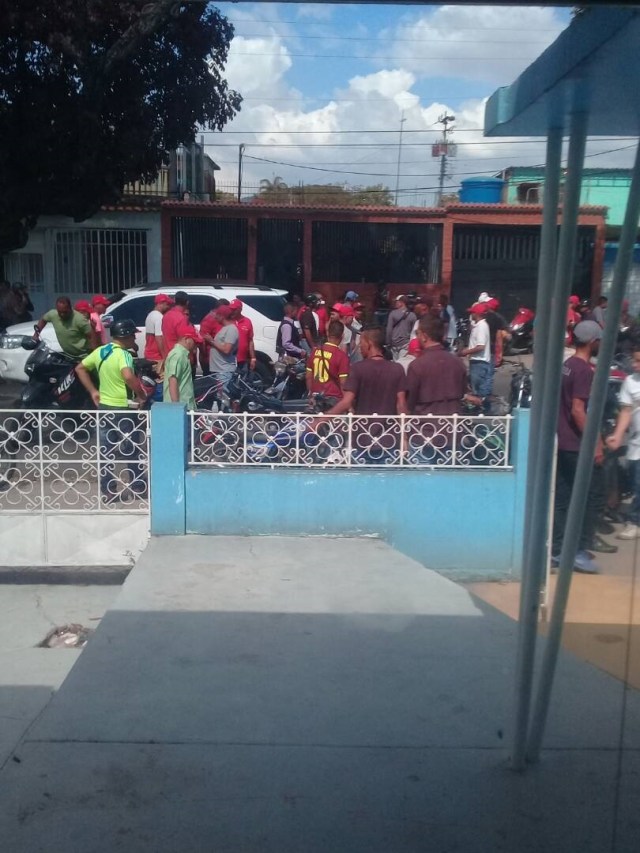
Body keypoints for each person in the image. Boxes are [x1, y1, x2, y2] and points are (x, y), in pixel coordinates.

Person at [552, 320, 616, 574]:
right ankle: (578, 550)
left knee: (564, 498)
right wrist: (596, 444)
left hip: (563, 443)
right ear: (593, 342)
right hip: (578, 446)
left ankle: (558, 549)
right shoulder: (583, 371)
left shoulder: (567, 366)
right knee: (592, 497)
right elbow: (579, 410)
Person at [75, 319, 148, 503]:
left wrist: (93, 391)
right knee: (131, 450)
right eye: (132, 335)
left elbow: (80, 368)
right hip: (124, 409)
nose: (134, 338)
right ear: (124, 336)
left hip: (105, 408)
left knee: (106, 452)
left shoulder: (101, 351)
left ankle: (108, 491)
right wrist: (141, 394)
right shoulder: (124, 355)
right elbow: (128, 376)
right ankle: (138, 488)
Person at [326, 327, 408, 417]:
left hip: (363, 427)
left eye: (361, 343)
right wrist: (404, 428)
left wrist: (319, 421)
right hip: (389, 429)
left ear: (369, 344)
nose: (360, 347)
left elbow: (346, 401)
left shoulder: (358, 368)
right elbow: (401, 404)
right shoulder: (397, 369)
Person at [606, 345, 640, 539]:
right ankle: (635, 521)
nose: (635, 365)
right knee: (638, 484)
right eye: (634, 360)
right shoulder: (630, 382)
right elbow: (626, 412)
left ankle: (635, 519)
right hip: (637, 444)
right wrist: (618, 435)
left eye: (639, 361)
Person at [407, 316, 467, 415]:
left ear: (424, 336)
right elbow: (462, 393)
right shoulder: (458, 362)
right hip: (453, 425)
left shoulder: (417, 365)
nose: (416, 337)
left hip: (425, 426)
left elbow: (410, 401)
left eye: (417, 333)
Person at [33, 296, 98, 359]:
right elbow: (43, 319)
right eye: (60, 312)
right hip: (68, 357)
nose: (62, 315)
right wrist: (36, 335)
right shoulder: (53, 314)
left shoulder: (79, 319)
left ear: (70, 308)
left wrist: (94, 357)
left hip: (83, 357)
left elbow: (92, 336)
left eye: (65, 312)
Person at [306, 320, 350, 408]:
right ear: (342, 336)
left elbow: (308, 377)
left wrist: (311, 394)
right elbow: (343, 383)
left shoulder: (315, 352)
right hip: (333, 400)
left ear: (327, 334)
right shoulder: (341, 356)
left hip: (316, 398)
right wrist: (347, 405)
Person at [163, 323, 202, 410]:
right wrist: (176, 407)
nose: (196, 345)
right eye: (194, 341)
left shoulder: (182, 355)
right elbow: (173, 380)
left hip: (184, 406)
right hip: (180, 407)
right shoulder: (178, 355)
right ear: (186, 339)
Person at [460, 303, 492, 405]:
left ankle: (481, 412)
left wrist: (465, 352)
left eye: (472, 313)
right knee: (475, 389)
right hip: (477, 362)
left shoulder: (481, 326)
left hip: (479, 362)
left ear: (477, 313)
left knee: (478, 392)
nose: (471, 315)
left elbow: (480, 346)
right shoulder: (478, 326)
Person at [208, 304, 239, 391]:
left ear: (222, 316)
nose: (215, 317)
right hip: (219, 370)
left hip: (224, 371)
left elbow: (227, 350)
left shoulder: (231, 329)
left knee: (225, 398)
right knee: (220, 396)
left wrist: (211, 341)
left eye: (217, 315)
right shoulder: (225, 328)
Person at [386, 295, 416, 361]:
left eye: (397, 302)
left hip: (394, 344)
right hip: (406, 344)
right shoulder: (412, 315)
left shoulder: (392, 314)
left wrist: (388, 342)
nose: (396, 303)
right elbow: (413, 332)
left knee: (395, 365)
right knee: (402, 363)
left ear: (402, 302)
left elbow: (389, 330)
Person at [144, 294, 173, 363]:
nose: (169, 307)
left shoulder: (150, 315)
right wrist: (165, 357)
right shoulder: (159, 317)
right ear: (161, 303)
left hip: (149, 354)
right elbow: (159, 338)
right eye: (167, 304)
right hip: (157, 357)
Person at [230, 298, 256, 372]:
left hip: (243, 360)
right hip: (229, 360)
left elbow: (250, 340)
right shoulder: (228, 321)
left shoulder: (247, 321)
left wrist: (253, 358)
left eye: (234, 309)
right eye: (231, 309)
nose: (232, 311)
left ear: (240, 309)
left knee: (242, 381)